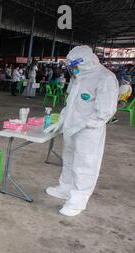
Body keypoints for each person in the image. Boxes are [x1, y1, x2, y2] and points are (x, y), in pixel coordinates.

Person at [44, 45, 119, 217]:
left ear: (84, 62)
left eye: (74, 66)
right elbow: (70, 104)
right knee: (69, 160)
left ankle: (78, 200)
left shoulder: (105, 78)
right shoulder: (78, 78)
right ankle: (65, 188)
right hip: (71, 128)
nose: (72, 70)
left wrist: (83, 124)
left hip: (88, 131)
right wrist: (62, 121)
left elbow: (105, 112)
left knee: (85, 164)